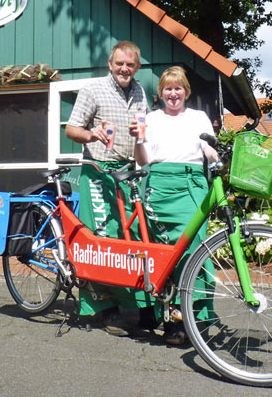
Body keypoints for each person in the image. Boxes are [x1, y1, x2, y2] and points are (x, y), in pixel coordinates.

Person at [131, 66, 218, 345]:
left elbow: (207, 148)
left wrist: (214, 155)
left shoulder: (198, 117)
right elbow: (143, 159)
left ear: (186, 91)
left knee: (195, 248)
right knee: (162, 250)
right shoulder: (150, 118)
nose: (173, 93)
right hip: (158, 184)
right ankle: (165, 317)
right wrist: (138, 139)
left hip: (192, 185)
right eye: (167, 88)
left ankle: (196, 316)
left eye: (178, 88)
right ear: (161, 93)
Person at [65, 41, 149, 328]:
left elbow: (143, 131)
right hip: (98, 170)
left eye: (130, 64)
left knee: (131, 237)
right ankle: (98, 307)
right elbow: (71, 129)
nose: (124, 68)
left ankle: (129, 301)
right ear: (110, 64)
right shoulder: (92, 89)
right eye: (119, 63)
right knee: (99, 238)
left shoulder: (140, 92)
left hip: (127, 171)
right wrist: (92, 135)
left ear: (136, 67)